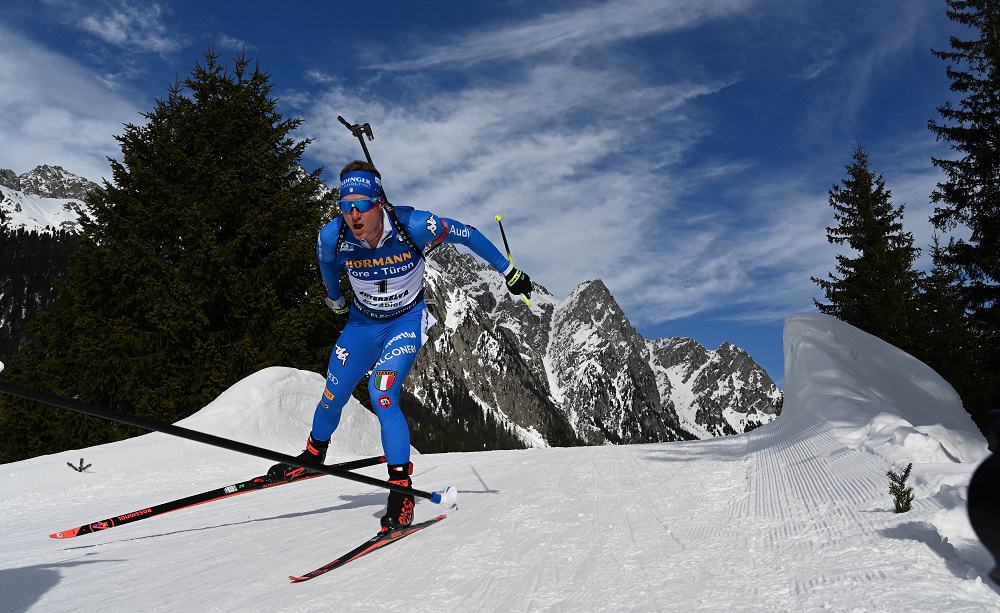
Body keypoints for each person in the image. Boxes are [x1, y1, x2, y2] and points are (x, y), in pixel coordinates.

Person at [268, 160, 532, 532]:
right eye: (345, 206)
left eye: (361, 205)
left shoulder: (414, 226)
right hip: (361, 325)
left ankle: (401, 492)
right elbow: (325, 262)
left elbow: (468, 233)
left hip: (405, 323)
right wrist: (334, 297)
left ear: (380, 203)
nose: (353, 215)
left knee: (383, 394)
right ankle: (313, 454)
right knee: (333, 394)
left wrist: (509, 272)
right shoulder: (333, 236)